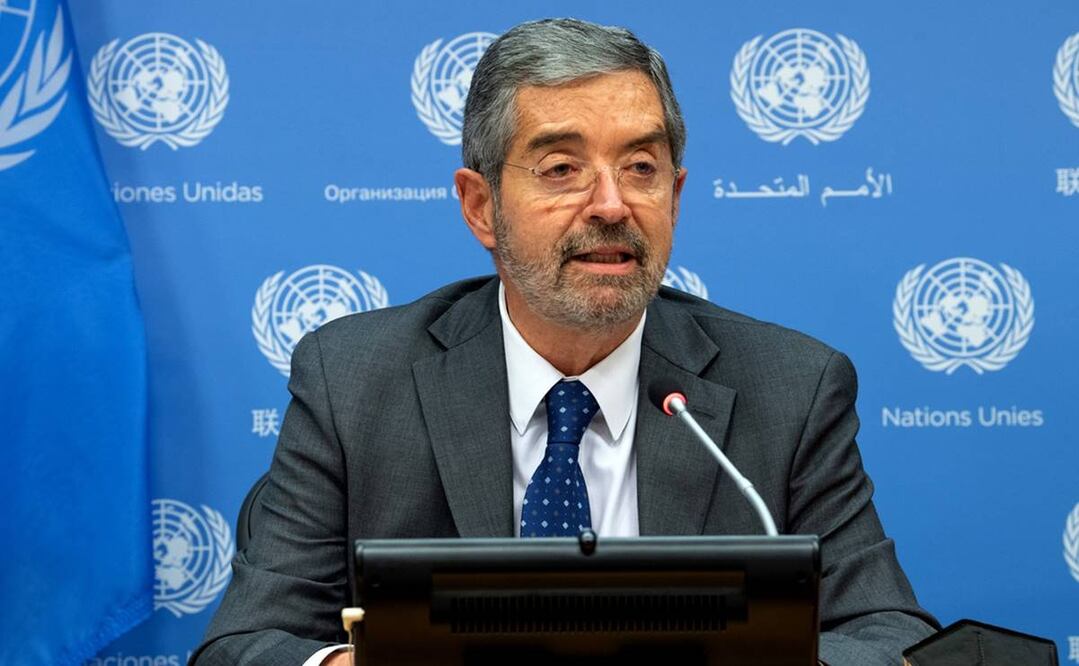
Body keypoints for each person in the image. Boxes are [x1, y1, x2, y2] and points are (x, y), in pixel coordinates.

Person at [192, 18, 937, 666]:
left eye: (640, 169)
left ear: (674, 197)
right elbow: (245, 643)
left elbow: (887, 633)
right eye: (561, 169)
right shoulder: (354, 380)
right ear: (481, 207)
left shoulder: (792, 386)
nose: (611, 205)